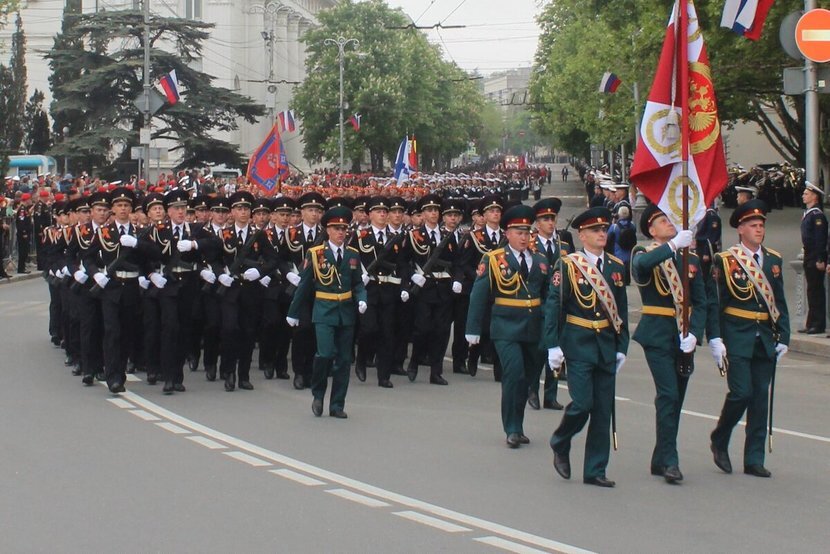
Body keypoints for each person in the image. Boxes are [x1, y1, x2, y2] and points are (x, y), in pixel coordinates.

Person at [544, 207, 629, 487]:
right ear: (582, 235)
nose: (602, 234)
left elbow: (621, 311)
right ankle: (561, 440)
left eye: (604, 229)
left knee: (603, 410)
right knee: (582, 404)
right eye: (595, 230)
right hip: (578, 343)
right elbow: (554, 307)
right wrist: (552, 346)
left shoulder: (616, 266)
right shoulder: (568, 265)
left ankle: (595, 469)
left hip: (605, 344)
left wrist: (622, 346)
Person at [710, 199, 790, 478]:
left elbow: (779, 301)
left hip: (764, 337)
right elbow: (717, 303)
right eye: (753, 225)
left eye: (761, 225)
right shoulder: (726, 261)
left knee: (759, 399)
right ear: (741, 229)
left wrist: (784, 336)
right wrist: (716, 338)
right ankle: (720, 437)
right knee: (741, 392)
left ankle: (754, 458)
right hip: (737, 336)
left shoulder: (774, 260)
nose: (759, 230)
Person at [630, 205, 709, 484]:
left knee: (677, 398)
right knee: (668, 395)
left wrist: (695, 334)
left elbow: (701, 302)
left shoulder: (690, 259)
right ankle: (671, 461)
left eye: (670, 220)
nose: (669, 224)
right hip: (656, 334)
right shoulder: (644, 253)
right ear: (651, 230)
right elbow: (641, 268)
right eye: (663, 221)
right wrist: (673, 245)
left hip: (682, 337)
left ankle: (659, 457)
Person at [467, 204, 549, 448]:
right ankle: (511, 428)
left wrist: (550, 325)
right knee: (513, 375)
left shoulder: (540, 260)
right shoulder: (494, 259)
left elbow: (548, 295)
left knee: (528, 378)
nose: (524, 238)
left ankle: (519, 425)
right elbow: (479, 295)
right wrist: (472, 329)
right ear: (508, 234)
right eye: (519, 233)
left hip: (533, 327)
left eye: (527, 233)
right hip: (506, 327)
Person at [286, 206, 367, 418]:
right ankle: (318, 394)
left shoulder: (353, 254)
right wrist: (293, 312)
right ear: (328, 230)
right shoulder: (316, 254)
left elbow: (357, 283)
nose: (341, 232)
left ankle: (337, 404)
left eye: (344, 229)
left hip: (346, 313)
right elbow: (304, 286)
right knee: (324, 354)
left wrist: (362, 299)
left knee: (343, 360)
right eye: (336, 228)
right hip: (323, 311)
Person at [215, 191, 276, 392]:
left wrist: (259, 271)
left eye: (246, 209)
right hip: (230, 290)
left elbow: (273, 260)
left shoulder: (259, 235)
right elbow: (214, 259)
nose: (243, 212)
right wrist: (220, 274)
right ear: (232, 212)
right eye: (239, 208)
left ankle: (244, 375)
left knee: (248, 332)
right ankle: (229, 371)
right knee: (230, 329)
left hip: (251, 290)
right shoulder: (224, 234)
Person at [528, 198, 569, 410]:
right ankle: (533, 390)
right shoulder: (530, 245)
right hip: (538, 304)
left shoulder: (564, 245)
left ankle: (550, 395)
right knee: (538, 352)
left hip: (558, 305)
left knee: (557, 350)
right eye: (545, 219)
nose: (550, 223)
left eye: (552, 218)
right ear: (537, 223)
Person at [799, 181, 827, 334]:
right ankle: (811, 322)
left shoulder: (817, 215)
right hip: (809, 255)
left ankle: (818, 323)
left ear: (814, 197)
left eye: (806, 194)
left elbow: (820, 239)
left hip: (815, 257)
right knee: (811, 291)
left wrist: (820, 259)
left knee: (816, 291)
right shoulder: (809, 213)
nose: (803, 196)